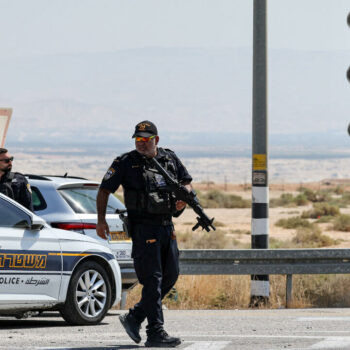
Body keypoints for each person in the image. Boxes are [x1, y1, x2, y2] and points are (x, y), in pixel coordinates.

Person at [97, 120, 192, 348]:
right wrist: (100, 221)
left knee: (171, 275)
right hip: (143, 227)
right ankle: (155, 332)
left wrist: (184, 199)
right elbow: (104, 190)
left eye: (146, 139)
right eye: (138, 139)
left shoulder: (169, 158)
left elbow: (186, 182)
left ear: (156, 140)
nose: (141, 144)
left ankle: (135, 316)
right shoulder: (125, 162)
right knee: (153, 280)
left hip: (166, 226)